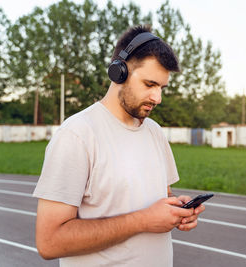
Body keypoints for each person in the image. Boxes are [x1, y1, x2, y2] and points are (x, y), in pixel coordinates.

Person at [33, 25, 205, 267]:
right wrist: (143, 220)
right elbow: (49, 242)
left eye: (161, 88)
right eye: (149, 84)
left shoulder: (155, 133)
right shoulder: (77, 135)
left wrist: (177, 210)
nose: (158, 98)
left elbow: (160, 196)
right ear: (119, 72)